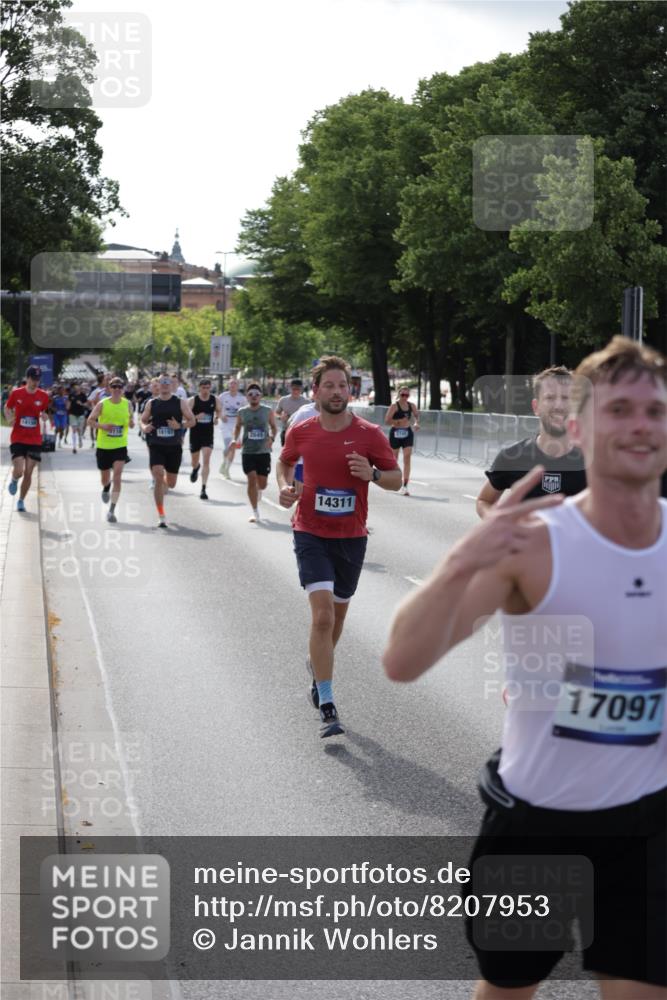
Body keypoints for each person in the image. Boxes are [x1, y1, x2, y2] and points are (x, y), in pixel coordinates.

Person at [383, 336, 667, 999]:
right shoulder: (533, 546)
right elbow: (401, 660)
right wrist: (459, 562)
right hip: (536, 825)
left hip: (646, 825)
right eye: (618, 408)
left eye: (653, 411)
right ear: (577, 427)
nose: (638, 425)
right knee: (507, 988)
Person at [277, 356, 401, 737]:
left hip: (351, 536)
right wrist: (284, 487)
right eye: (328, 386)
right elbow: (285, 462)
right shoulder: (303, 431)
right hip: (310, 532)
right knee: (323, 617)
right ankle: (327, 703)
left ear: (351, 390)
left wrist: (374, 474)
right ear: (315, 392)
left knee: (339, 617)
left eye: (342, 386)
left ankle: (319, 666)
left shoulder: (369, 434)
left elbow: (396, 479)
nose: (336, 392)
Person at [476, 366, 587, 517]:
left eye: (566, 398)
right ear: (536, 407)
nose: (559, 406)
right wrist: (496, 521)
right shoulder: (512, 456)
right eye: (550, 398)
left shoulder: (591, 463)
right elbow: (484, 500)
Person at [141, 373, 195, 528]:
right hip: (156, 444)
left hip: (173, 446)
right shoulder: (152, 403)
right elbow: (143, 420)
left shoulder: (180, 403)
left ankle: (165, 480)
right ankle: (161, 514)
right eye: (162, 382)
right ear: (158, 385)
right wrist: (145, 427)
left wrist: (180, 426)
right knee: (158, 475)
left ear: (172, 385)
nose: (164, 385)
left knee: (171, 484)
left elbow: (192, 421)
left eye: (167, 382)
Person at [87, 376, 134, 523]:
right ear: (109, 388)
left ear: (123, 389)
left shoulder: (128, 404)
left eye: (120, 387)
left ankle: (112, 510)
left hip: (120, 445)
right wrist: (103, 426)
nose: (117, 389)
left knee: (118, 477)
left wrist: (132, 422)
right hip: (103, 446)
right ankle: (106, 487)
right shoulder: (102, 404)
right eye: (114, 386)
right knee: (105, 479)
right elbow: (90, 421)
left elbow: (131, 421)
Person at [4, 366, 50, 512]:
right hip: (18, 437)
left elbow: (44, 411)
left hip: (35, 439)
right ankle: (14, 479)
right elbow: (7, 406)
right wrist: (9, 417)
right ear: (27, 378)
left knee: (29, 472)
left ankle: (21, 501)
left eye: (38, 379)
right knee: (19, 471)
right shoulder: (17, 393)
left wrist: (45, 416)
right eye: (33, 379)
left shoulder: (43, 396)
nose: (35, 382)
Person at [233, 383, 278, 523]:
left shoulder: (268, 410)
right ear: (247, 396)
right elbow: (238, 426)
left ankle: (259, 490)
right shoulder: (242, 411)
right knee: (251, 478)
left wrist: (271, 438)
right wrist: (235, 439)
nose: (254, 397)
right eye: (251, 394)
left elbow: (274, 427)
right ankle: (255, 511)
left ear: (261, 396)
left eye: (256, 394)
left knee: (262, 484)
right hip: (248, 451)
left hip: (263, 451)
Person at [188, 378, 221, 500]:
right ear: (199, 388)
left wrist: (217, 418)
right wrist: (196, 417)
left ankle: (203, 488)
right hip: (195, 434)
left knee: (206, 459)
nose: (206, 390)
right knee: (194, 461)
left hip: (208, 434)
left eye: (208, 388)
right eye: (204, 388)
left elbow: (219, 411)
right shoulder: (193, 400)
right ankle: (195, 468)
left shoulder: (214, 399)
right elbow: (186, 417)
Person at [384, 387, 420, 495]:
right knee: (394, 459)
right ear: (399, 395)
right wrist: (398, 421)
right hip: (395, 433)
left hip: (407, 433)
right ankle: (393, 481)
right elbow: (387, 421)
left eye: (407, 395)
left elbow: (416, 415)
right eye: (403, 395)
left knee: (407, 457)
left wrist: (416, 423)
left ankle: (405, 485)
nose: (405, 397)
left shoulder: (411, 406)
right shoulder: (394, 406)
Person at [218, 378, 247, 478]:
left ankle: (226, 468)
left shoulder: (242, 398)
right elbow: (217, 408)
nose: (233, 385)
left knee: (233, 447)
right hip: (225, 425)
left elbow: (246, 411)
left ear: (238, 386)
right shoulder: (222, 396)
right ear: (228, 385)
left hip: (236, 426)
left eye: (235, 384)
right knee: (228, 445)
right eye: (231, 384)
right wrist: (221, 416)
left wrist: (243, 421)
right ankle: (224, 463)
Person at [276, 378, 309, 446]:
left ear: (302, 389)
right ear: (290, 388)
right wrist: (280, 417)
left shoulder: (307, 402)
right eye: (294, 389)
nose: (296, 391)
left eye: (298, 389)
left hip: (301, 433)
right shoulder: (283, 400)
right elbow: (276, 413)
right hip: (286, 431)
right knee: (286, 455)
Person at [67, 382, 89, 453]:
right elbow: (68, 404)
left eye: (77, 387)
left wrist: (81, 404)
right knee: (74, 429)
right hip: (72, 414)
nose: (76, 388)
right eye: (74, 387)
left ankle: (80, 438)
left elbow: (86, 404)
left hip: (81, 414)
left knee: (79, 429)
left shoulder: (83, 395)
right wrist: (67, 406)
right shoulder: (71, 395)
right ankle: (74, 447)